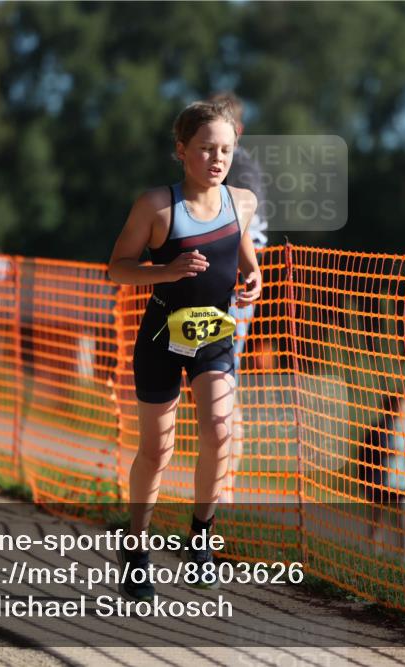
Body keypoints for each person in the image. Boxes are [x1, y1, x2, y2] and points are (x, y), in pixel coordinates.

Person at [107, 100, 262, 601]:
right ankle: (135, 548)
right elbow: (118, 268)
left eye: (226, 150)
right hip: (160, 339)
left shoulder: (242, 202)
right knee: (157, 450)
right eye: (205, 149)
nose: (217, 159)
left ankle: (200, 541)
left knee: (219, 430)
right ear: (182, 150)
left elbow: (246, 259)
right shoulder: (156, 206)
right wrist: (165, 272)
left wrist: (253, 279)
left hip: (214, 335)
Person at [207, 92, 269, 504]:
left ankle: (224, 488)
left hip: (229, 287)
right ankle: (220, 483)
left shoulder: (240, 169)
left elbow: (239, 224)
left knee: (222, 381)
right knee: (216, 381)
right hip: (223, 283)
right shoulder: (233, 166)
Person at [357, 394, 405, 563]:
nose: (402, 409)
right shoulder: (377, 428)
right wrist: (364, 481)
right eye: (399, 405)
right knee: (377, 522)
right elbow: (365, 456)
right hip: (381, 483)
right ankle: (374, 558)